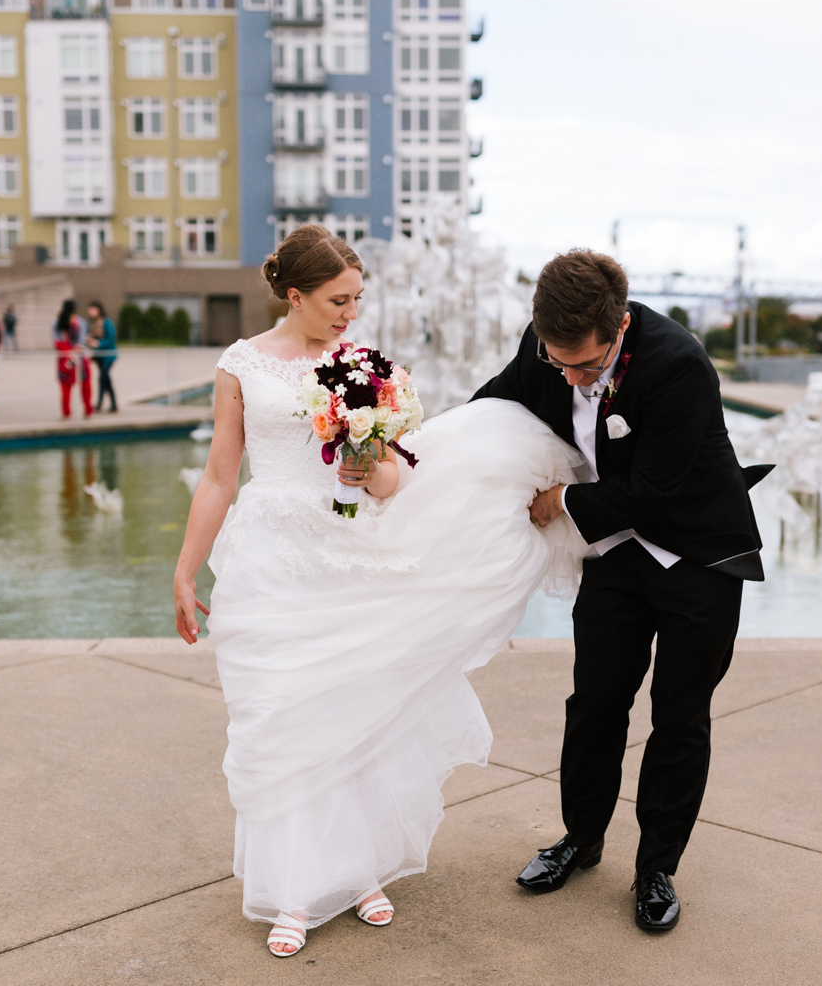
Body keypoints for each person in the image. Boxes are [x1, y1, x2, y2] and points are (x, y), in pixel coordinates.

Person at [171, 225, 590, 959]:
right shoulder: (240, 365)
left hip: (349, 549)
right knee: (283, 719)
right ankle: (294, 889)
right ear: (293, 295)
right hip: (269, 557)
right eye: (337, 300)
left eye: (358, 298)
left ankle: (358, 871)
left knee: (356, 709)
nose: (349, 314)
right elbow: (219, 474)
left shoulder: (363, 367)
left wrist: (373, 470)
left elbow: (396, 476)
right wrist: (184, 567)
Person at [472, 249, 771, 932]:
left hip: (699, 557)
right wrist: (426, 455)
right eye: (558, 362)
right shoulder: (546, 347)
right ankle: (581, 838)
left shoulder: (678, 364)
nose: (571, 377)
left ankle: (656, 868)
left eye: (586, 365)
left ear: (620, 327)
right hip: (616, 555)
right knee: (596, 701)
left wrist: (562, 502)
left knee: (679, 715)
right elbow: (496, 402)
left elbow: (654, 489)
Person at [53, 299, 93, 419]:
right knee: (85, 384)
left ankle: (66, 413)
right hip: (78, 357)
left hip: (65, 358)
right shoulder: (80, 322)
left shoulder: (56, 323)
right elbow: (81, 342)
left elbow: (57, 341)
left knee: (66, 385)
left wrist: (69, 351)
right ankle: (87, 410)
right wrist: (74, 351)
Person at [86, 300, 118, 412]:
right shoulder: (91, 323)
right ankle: (108, 404)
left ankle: (106, 404)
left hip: (108, 355)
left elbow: (110, 338)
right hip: (98, 355)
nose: (90, 311)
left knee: (104, 378)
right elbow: (88, 336)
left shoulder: (106, 322)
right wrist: (89, 340)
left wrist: (98, 343)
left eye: (92, 309)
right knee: (104, 379)